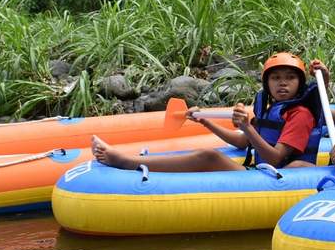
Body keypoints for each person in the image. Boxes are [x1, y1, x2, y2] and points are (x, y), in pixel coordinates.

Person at [91, 52, 321, 172]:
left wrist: (247, 127)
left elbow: (276, 158)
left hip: (282, 174)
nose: (282, 83)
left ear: (300, 83)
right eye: (276, 78)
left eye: (290, 78)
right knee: (209, 155)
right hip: (263, 171)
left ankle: (124, 161)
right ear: (267, 84)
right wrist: (206, 122)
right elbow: (242, 142)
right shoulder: (270, 108)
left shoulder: (300, 114)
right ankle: (130, 159)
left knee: (209, 157)